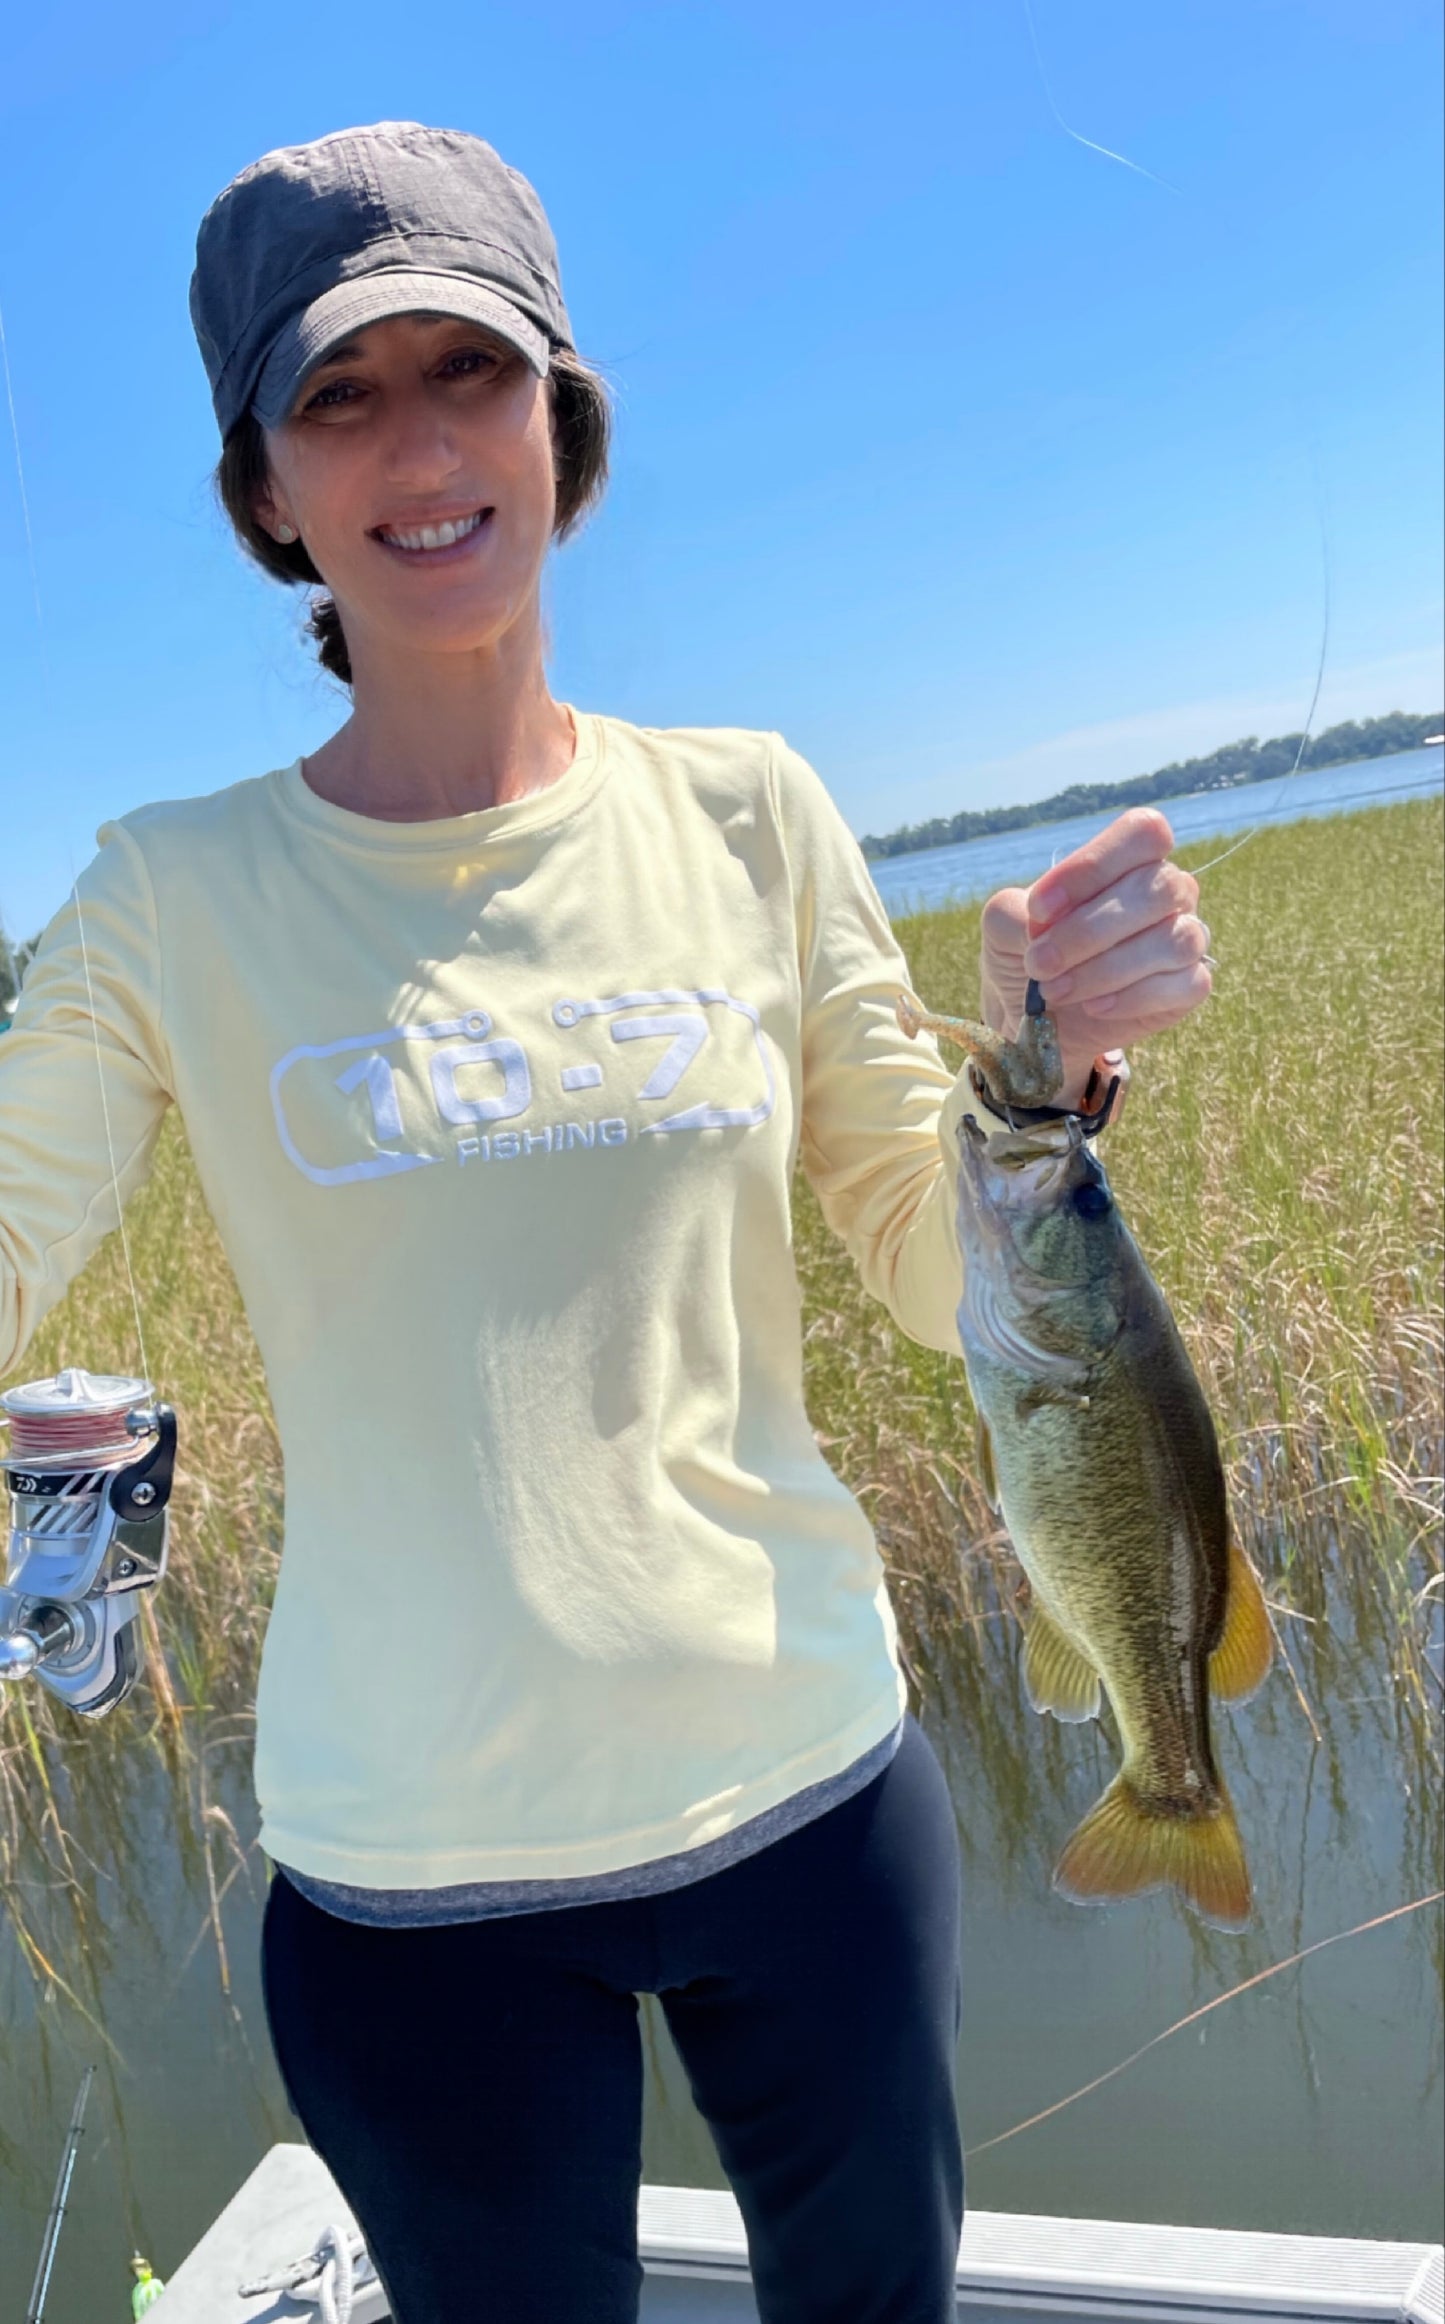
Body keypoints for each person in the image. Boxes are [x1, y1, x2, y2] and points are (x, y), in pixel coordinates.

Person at [0, 122, 1211, 2324]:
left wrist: (1037, 1066)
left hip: (811, 1797)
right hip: (407, 1875)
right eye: (339, 394)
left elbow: (934, 1268)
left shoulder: (751, 809)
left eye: (472, 368)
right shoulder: (169, 894)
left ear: (562, 425)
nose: (420, 442)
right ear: (265, 490)